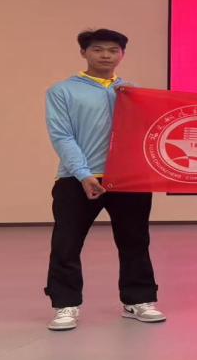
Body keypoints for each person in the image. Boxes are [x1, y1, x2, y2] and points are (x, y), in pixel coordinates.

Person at [44, 29, 164, 331]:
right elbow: (62, 136)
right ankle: (65, 304)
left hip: (129, 180)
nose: (106, 55)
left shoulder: (132, 91)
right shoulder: (63, 91)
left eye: (113, 50)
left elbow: (151, 130)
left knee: (135, 241)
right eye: (98, 49)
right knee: (67, 242)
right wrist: (84, 175)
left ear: (122, 55)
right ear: (84, 53)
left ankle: (138, 300)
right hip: (77, 179)